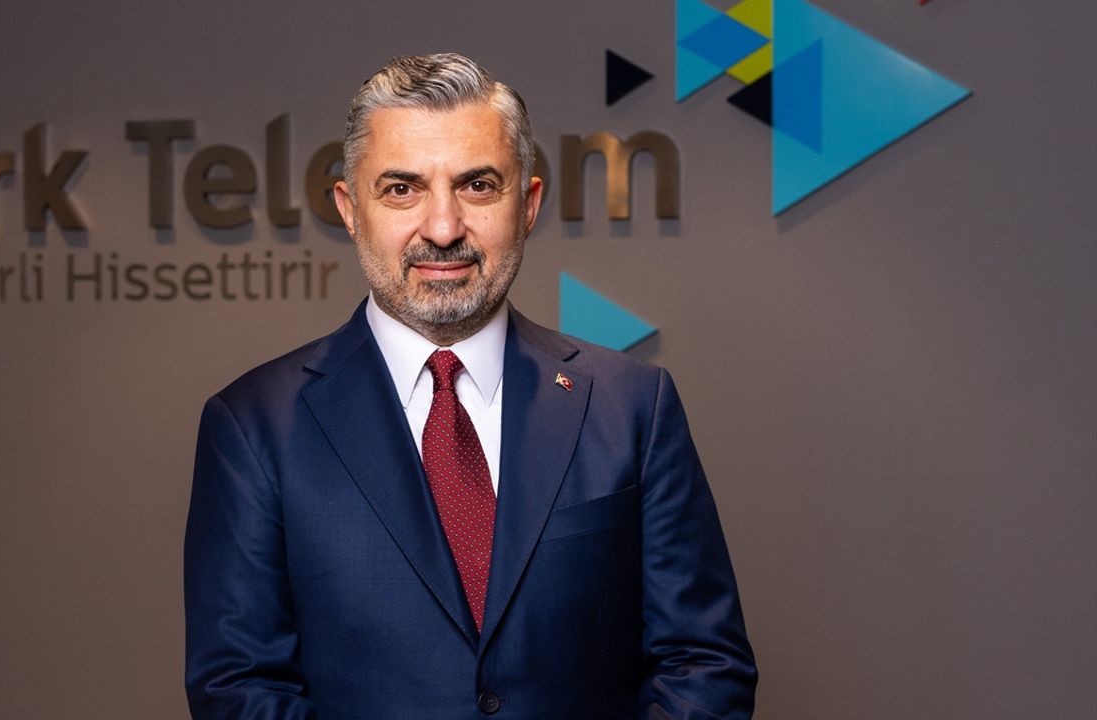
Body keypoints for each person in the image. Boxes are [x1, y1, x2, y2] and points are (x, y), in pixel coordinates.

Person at [184, 53, 757, 720]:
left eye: (478, 186)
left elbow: (703, 664)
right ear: (350, 209)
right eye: (402, 189)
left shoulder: (632, 405)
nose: (443, 228)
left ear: (528, 204)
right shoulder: (254, 426)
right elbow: (240, 689)